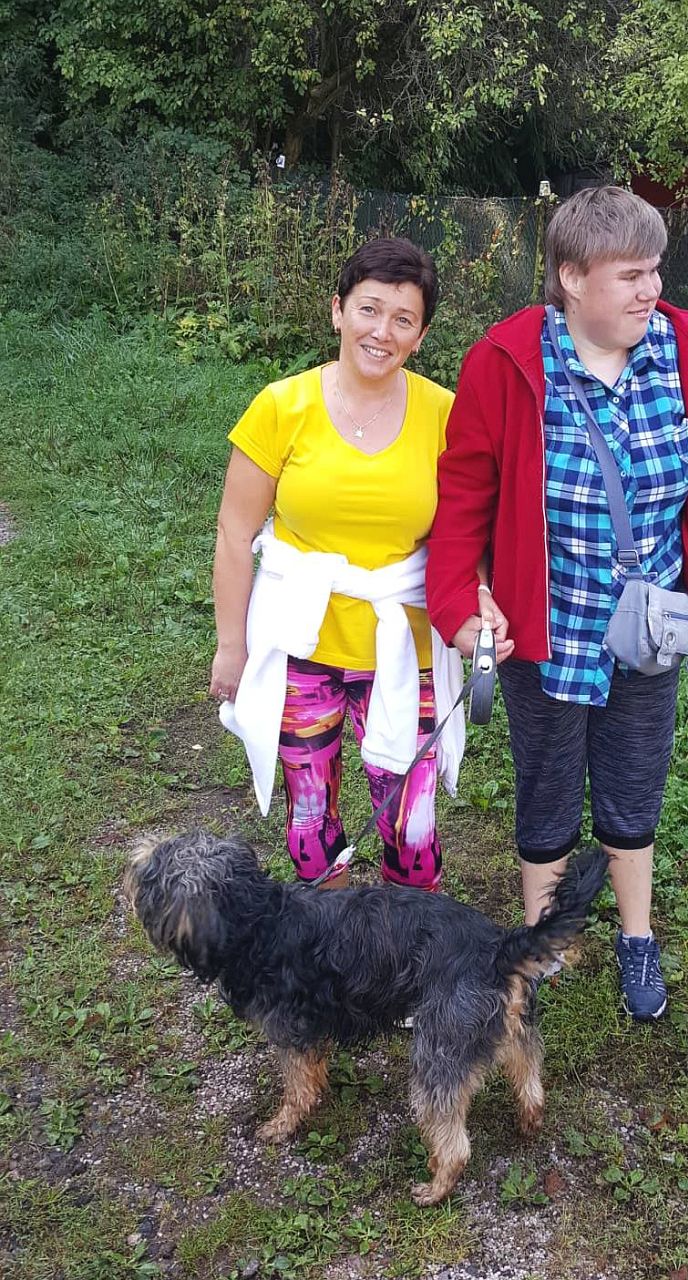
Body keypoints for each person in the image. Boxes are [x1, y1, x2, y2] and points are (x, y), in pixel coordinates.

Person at [427, 186, 688, 1020]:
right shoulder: (505, 360)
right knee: (544, 785)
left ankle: (635, 935)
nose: (652, 290)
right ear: (571, 277)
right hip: (547, 626)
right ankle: (543, 939)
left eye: (655, 270)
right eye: (631, 275)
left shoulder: (681, 349)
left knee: (633, 783)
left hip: (648, 625)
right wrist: (459, 602)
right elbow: (463, 494)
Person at [211, 237, 461, 892]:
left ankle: (406, 938)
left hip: (405, 645)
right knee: (309, 816)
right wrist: (231, 647)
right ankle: (332, 933)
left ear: (420, 336)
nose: (381, 332)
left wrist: (480, 602)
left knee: (411, 823)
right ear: (337, 311)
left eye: (402, 319)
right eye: (368, 309)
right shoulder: (281, 406)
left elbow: (468, 534)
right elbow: (235, 533)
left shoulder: (444, 414)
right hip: (301, 643)